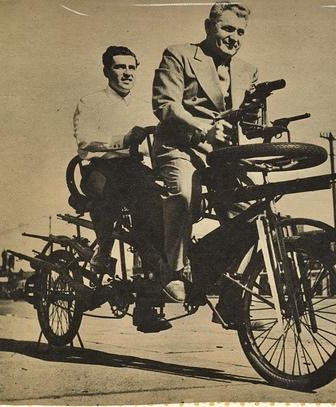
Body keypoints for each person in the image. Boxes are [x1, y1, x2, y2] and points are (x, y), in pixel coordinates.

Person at [152, 1, 258, 308]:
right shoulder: (180, 55)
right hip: (180, 147)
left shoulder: (247, 70)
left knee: (253, 215)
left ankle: (232, 296)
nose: (234, 37)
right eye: (227, 28)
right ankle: (173, 274)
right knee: (184, 196)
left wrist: (264, 129)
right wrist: (203, 129)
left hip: (222, 157)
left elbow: (249, 123)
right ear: (209, 27)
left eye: (240, 31)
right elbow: (165, 105)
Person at [73, 45, 171, 332]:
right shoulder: (90, 102)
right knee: (107, 202)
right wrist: (124, 139)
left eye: (131, 67)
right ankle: (101, 253)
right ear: (107, 71)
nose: (126, 73)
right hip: (101, 169)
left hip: (134, 171)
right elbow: (85, 142)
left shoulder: (144, 106)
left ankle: (146, 304)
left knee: (156, 219)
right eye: (119, 67)